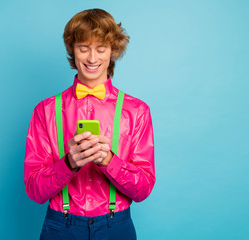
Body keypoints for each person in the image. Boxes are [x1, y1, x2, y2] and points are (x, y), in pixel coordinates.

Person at [24, 8, 155, 240]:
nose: (92, 59)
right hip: (60, 227)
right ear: (72, 51)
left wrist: (109, 161)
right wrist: (68, 164)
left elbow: (143, 189)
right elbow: (35, 190)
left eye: (101, 49)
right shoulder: (45, 111)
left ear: (112, 51)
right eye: (83, 48)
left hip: (116, 227)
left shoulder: (137, 111)